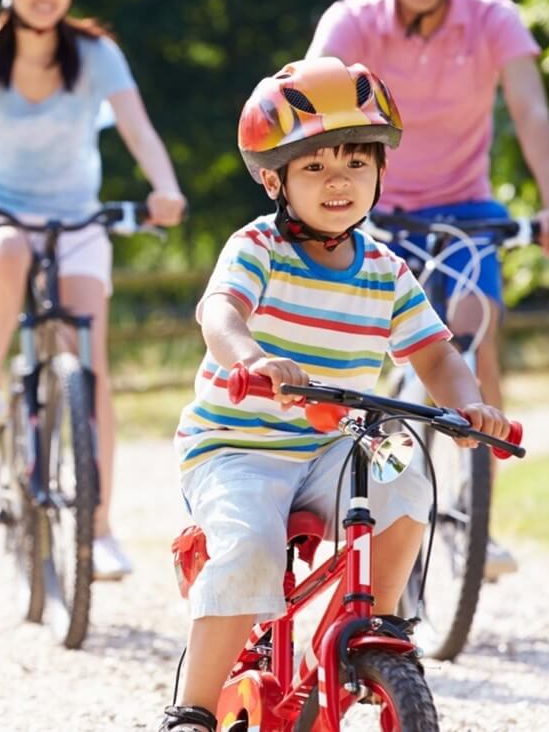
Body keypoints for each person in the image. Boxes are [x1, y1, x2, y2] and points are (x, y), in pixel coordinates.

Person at [156, 57, 510, 732]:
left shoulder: (385, 269)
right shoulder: (256, 247)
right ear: (274, 179)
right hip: (239, 446)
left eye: (355, 162)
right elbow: (220, 314)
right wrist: (253, 357)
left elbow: (436, 351)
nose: (338, 181)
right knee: (250, 547)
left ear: (381, 171)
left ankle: (374, 623)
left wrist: (468, 403)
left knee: (406, 471)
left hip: (335, 444)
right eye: (314, 166)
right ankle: (192, 709)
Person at [305, 0, 549, 578]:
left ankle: (471, 517)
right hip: (377, 210)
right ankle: (380, 496)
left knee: (472, 325)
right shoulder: (353, 22)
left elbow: (532, 114)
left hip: (465, 209)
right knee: (372, 360)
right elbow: (312, 102)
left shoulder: (492, 20)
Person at [0, 0, 186, 580]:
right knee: (7, 250)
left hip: (75, 222)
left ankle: (98, 530)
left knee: (88, 364)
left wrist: (165, 187)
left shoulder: (96, 54)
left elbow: (139, 130)